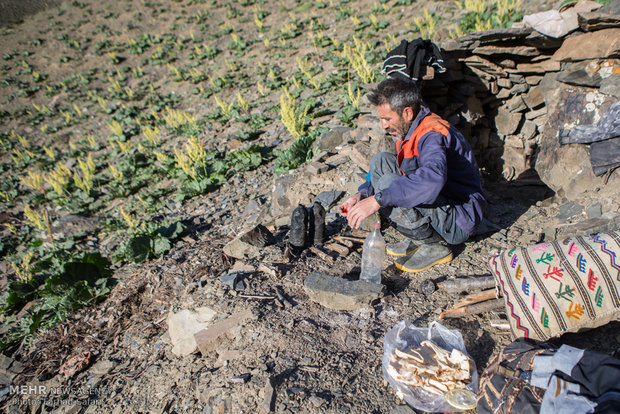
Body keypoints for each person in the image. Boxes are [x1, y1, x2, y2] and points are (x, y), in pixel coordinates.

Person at [338, 77, 486, 272]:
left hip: (459, 218)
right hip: (444, 203)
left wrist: (378, 200)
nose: (383, 125)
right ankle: (421, 237)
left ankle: (433, 245)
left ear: (407, 112)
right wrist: (362, 195)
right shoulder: (412, 129)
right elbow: (400, 169)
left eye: (387, 119)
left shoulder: (432, 135)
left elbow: (431, 179)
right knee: (381, 161)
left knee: (388, 186)